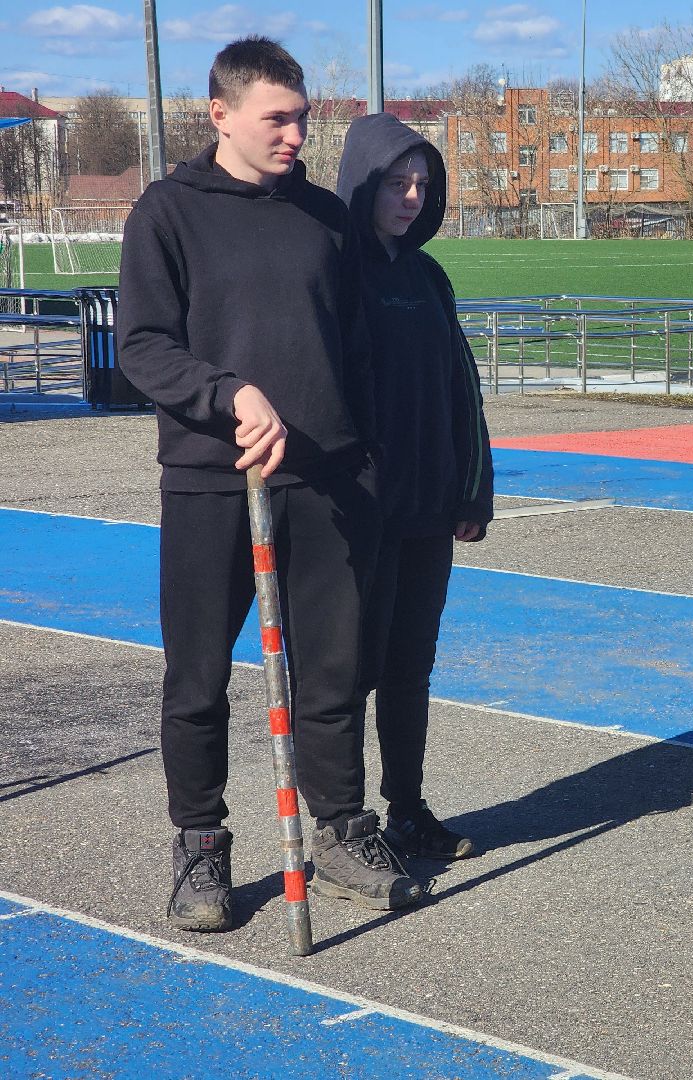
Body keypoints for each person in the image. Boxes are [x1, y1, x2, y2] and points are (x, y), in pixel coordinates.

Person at [118, 36, 423, 932]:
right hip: (217, 481)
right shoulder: (168, 212)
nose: (295, 134)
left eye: (302, 118)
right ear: (221, 114)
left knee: (332, 674)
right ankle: (202, 846)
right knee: (199, 676)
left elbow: (357, 349)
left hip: (328, 483)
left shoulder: (326, 218)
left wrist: (369, 458)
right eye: (277, 118)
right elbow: (141, 345)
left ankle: (337, 830)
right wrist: (228, 395)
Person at [335, 114, 493, 860]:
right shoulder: (338, 270)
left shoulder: (429, 278)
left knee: (409, 668)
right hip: (362, 513)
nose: (410, 195)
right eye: (397, 182)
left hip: (430, 511)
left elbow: (463, 389)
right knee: (351, 667)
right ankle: (345, 824)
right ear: (363, 182)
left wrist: (474, 491)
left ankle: (407, 808)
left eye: (422, 184)